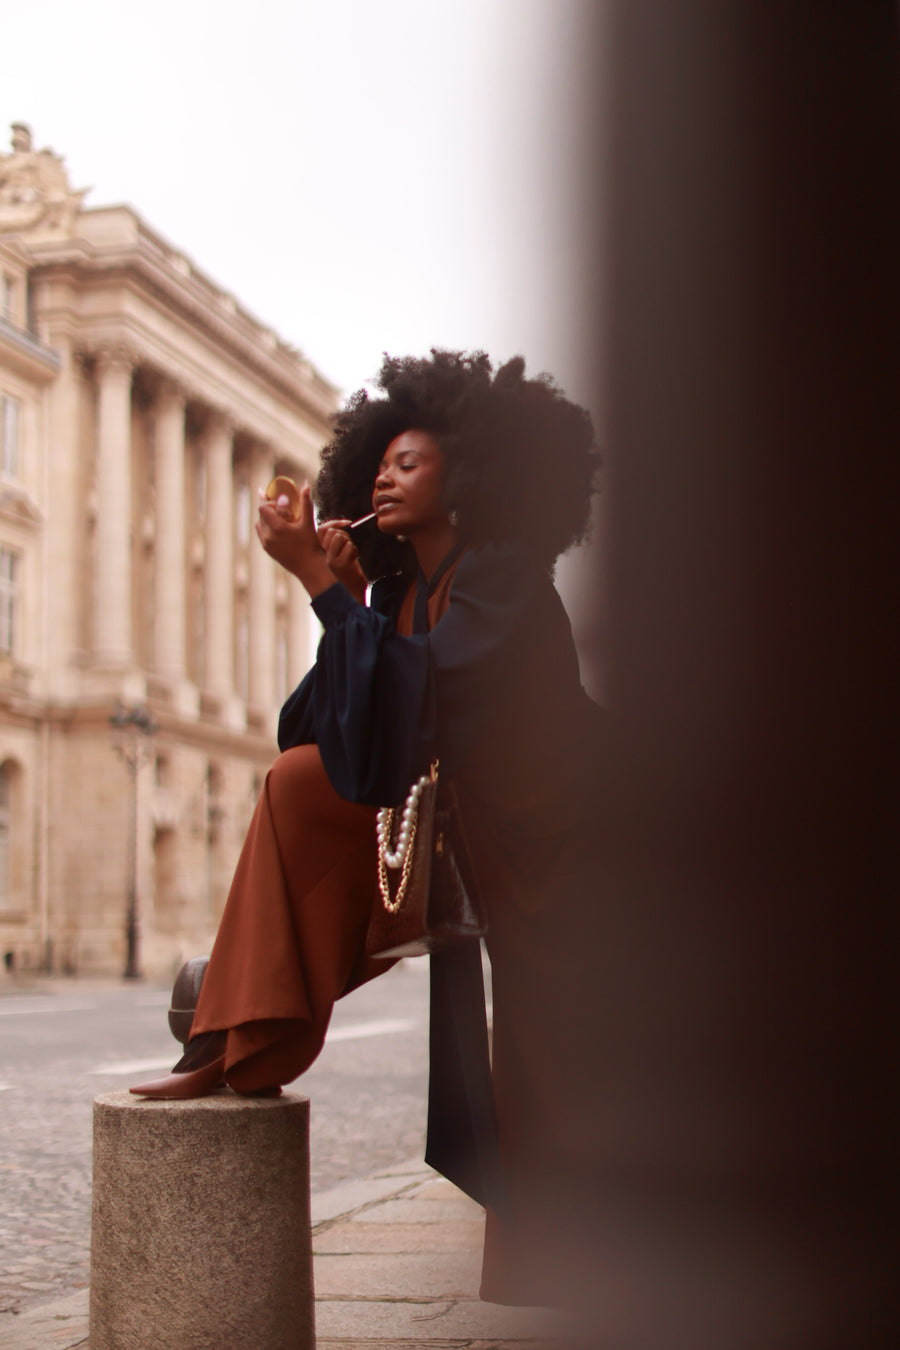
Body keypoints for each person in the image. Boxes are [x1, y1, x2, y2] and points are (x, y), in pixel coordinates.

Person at [130, 349, 603, 1305]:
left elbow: (425, 700)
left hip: (569, 843)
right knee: (298, 785)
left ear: (467, 480)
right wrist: (339, 599)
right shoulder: (398, 596)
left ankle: (581, 1253)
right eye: (377, 463)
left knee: (547, 1052)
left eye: (409, 463)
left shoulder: (502, 577)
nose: (383, 476)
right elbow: (318, 734)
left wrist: (321, 585)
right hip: (472, 837)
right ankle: (235, 1040)